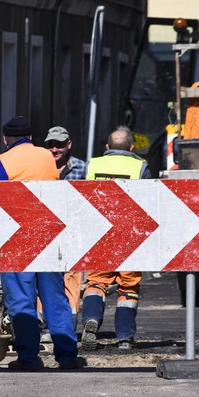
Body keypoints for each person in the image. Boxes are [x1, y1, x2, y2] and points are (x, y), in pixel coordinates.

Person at [0, 116, 83, 371]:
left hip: (16, 240)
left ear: (6, 139)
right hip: (49, 235)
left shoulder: (1, 162)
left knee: (21, 301)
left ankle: (29, 357)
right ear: (31, 139)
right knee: (54, 297)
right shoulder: (47, 157)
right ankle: (67, 355)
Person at [81, 126, 151, 351]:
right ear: (131, 148)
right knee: (128, 288)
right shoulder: (140, 167)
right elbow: (149, 203)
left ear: (107, 147)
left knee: (96, 283)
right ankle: (124, 338)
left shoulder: (93, 165)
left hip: (98, 234)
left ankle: (91, 319)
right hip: (129, 237)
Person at [44, 126, 86, 328]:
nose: (54, 150)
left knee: (71, 275)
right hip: (46, 230)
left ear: (68, 145)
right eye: (51, 145)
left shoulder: (81, 168)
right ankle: (43, 322)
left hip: (73, 231)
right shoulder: (41, 166)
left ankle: (68, 322)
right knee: (45, 275)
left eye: (59, 145)